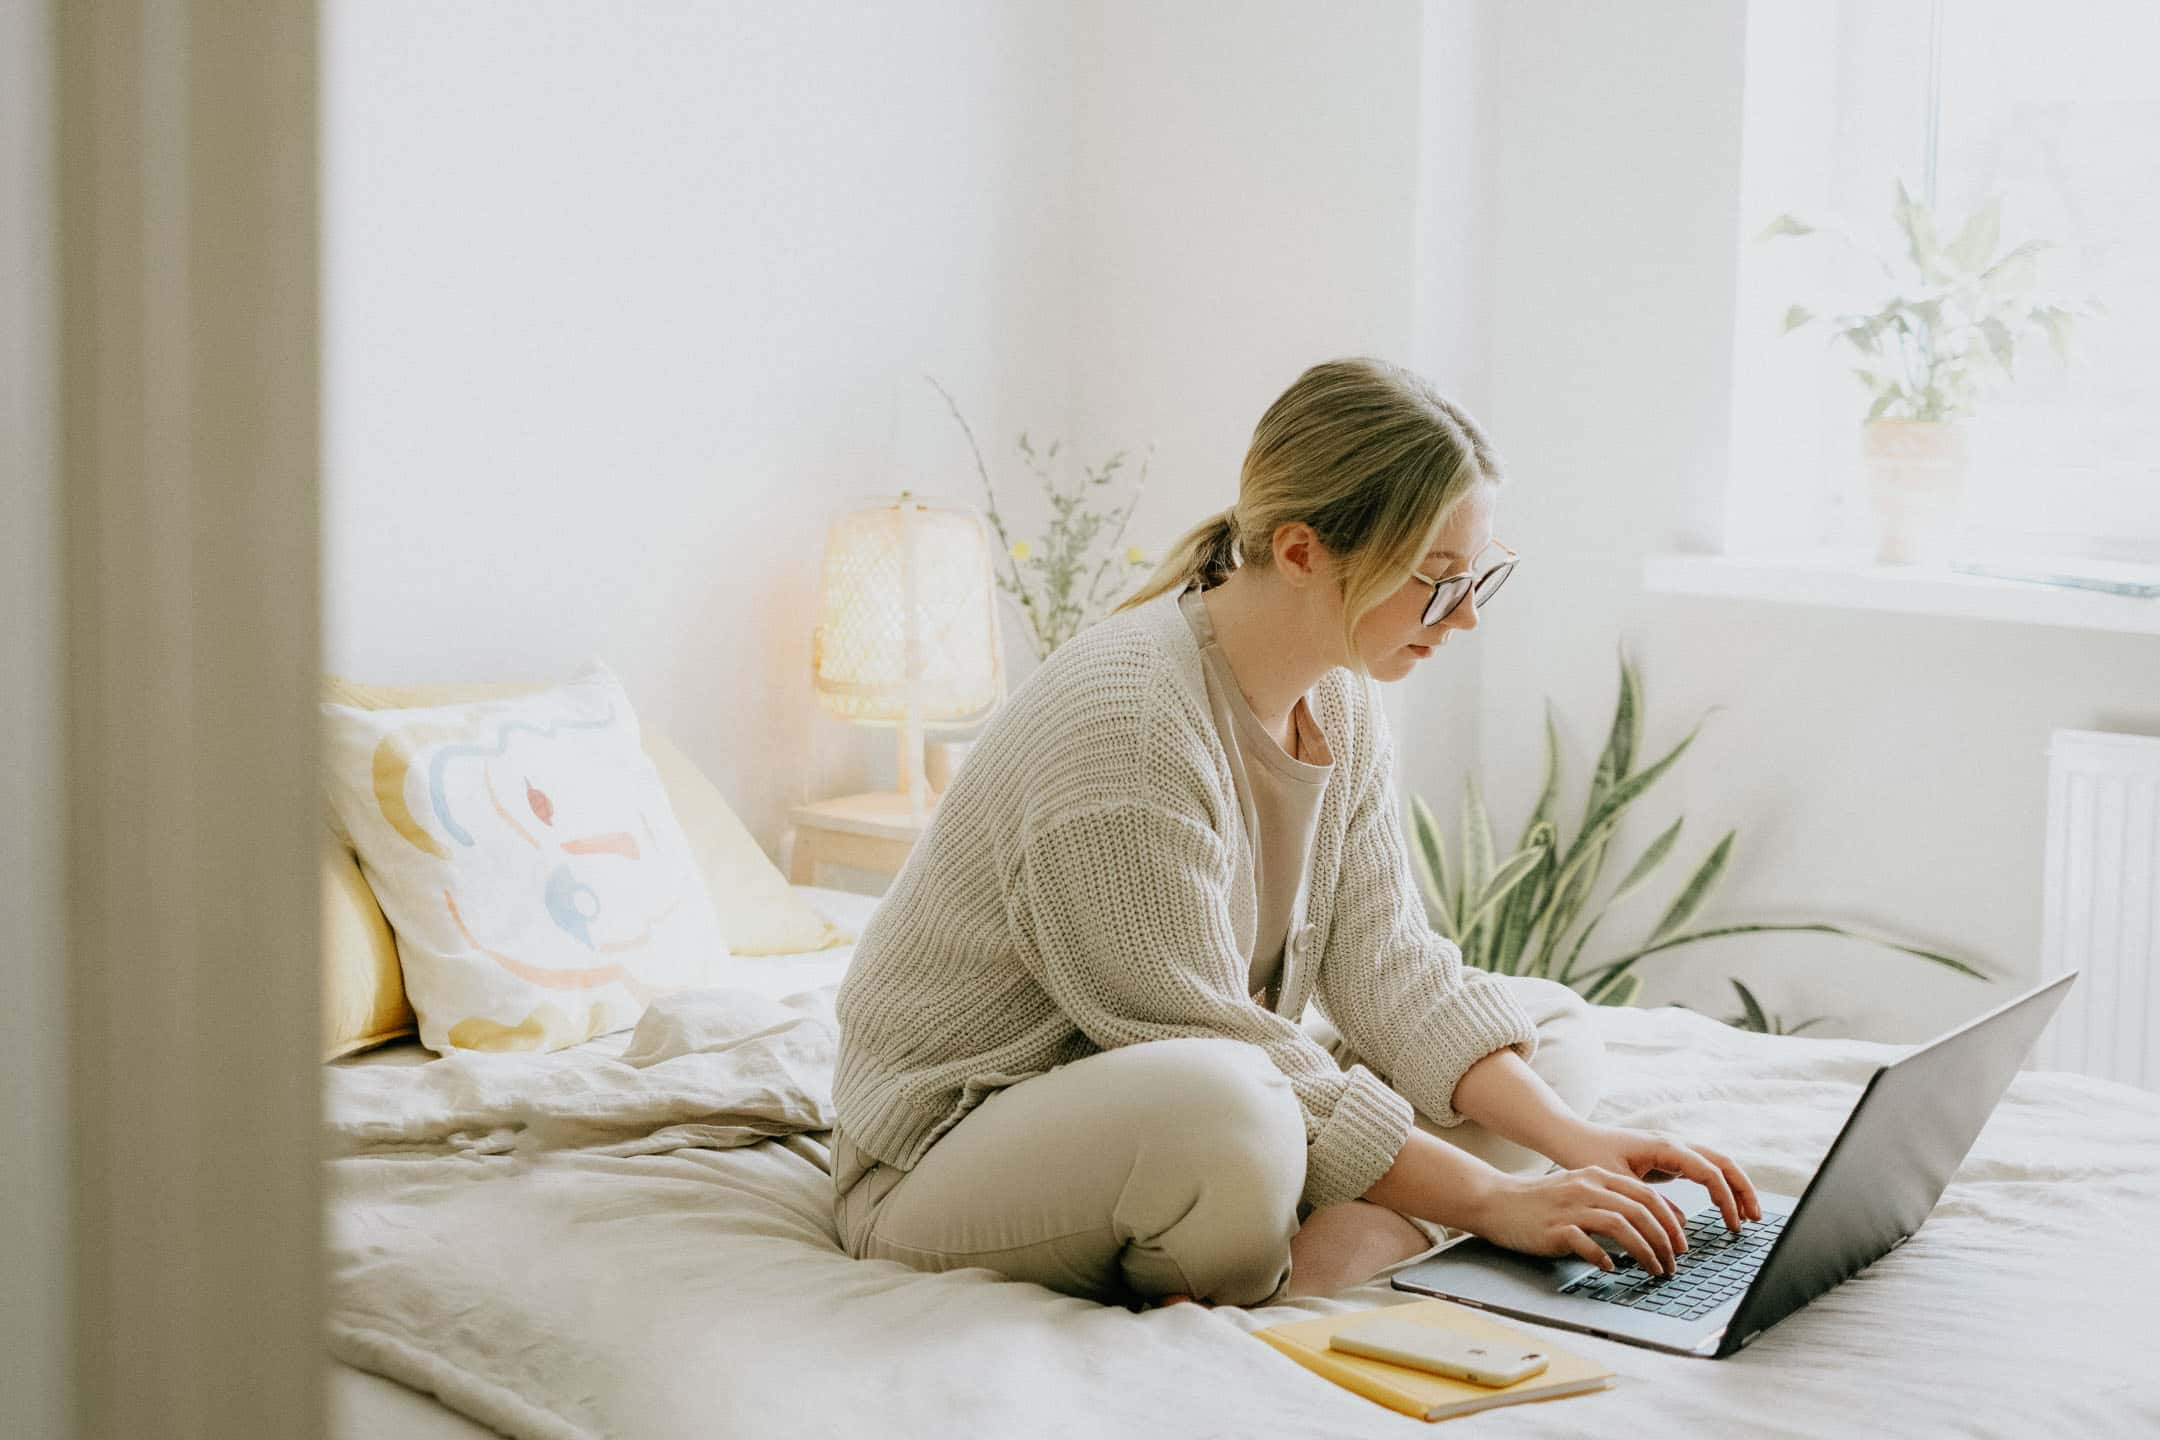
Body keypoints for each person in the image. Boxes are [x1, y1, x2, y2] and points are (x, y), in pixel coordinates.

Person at [830, 356, 1762, 1311]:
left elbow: (1388, 961)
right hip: (948, 1157)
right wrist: (1495, 1197)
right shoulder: (1128, 727)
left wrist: (1577, 1146)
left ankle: (1355, 1243)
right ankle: (1348, 1251)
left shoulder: (1340, 695)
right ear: (1304, 551)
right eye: (1437, 580)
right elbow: (1204, 1042)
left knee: (1547, 1029)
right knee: (1234, 1113)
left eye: (1480, 575)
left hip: (1193, 1094)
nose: (1469, 614)